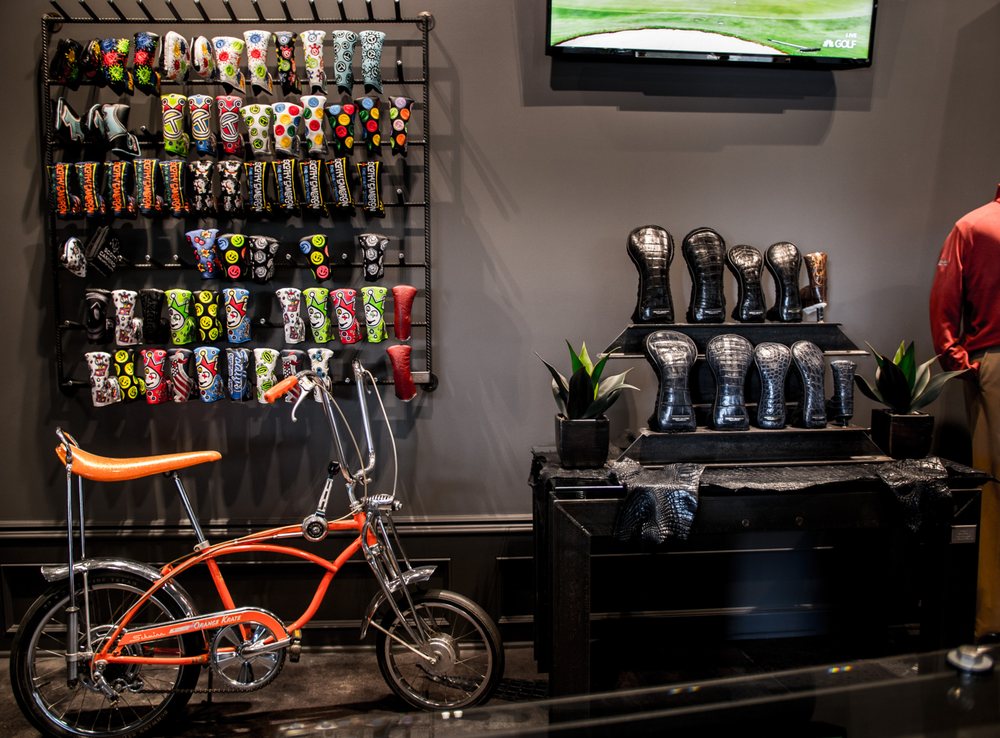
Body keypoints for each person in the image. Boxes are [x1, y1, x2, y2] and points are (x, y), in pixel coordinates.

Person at [929, 185, 1000, 642]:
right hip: (995, 358)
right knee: (993, 486)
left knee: (994, 487)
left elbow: (943, 302)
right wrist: (960, 360)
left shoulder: (973, 226)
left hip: (992, 361)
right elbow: (945, 302)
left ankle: (992, 615)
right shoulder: (975, 226)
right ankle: (991, 615)